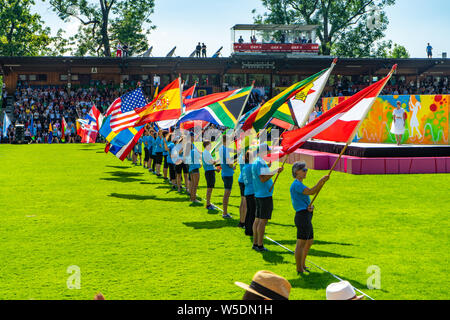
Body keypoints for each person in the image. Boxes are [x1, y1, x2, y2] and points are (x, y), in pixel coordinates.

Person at [290, 161, 329, 274]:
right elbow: (311, 192)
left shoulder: (299, 184)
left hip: (305, 214)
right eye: (304, 170)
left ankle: (302, 264)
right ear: (297, 172)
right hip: (302, 217)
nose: (306, 172)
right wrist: (321, 181)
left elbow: (305, 198)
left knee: (309, 240)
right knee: (301, 243)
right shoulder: (296, 184)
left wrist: (309, 207)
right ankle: (299, 268)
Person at [251, 143, 283, 252]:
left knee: (257, 220)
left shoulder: (257, 161)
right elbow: (263, 178)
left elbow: (263, 174)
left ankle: (255, 243)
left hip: (260, 193)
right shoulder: (259, 162)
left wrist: (270, 168)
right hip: (264, 195)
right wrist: (275, 171)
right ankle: (260, 245)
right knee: (262, 221)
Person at [219, 134, 236, 219]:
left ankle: (225, 212)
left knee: (226, 194)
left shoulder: (221, 148)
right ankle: (225, 213)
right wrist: (233, 164)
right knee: (226, 194)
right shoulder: (225, 149)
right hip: (228, 174)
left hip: (225, 173)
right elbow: (229, 163)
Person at [202, 140, 219, 210]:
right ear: (206, 145)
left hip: (210, 171)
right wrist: (219, 160)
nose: (211, 146)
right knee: (209, 189)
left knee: (210, 188)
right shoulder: (206, 153)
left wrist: (215, 168)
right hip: (209, 172)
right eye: (209, 145)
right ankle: (208, 204)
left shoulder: (206, 152)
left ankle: (208, 203)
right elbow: (212, 162)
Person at [242, 150, 256, 236]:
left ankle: (248, 229)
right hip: (252, 191)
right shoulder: (251, 166)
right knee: (253, 211)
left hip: (247, 190)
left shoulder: (245, 166)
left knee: (249, 210)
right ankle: (251, 230)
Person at [187, 132, 202, 203]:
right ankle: (193, 198)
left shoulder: (191, 146)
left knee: (193, 184)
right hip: (194, 167)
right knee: (195, 184)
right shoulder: (190, 147)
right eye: (193, 137)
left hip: (191, 167)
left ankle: (192, 198)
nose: (194, 138)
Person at [237, 149, 247, 228]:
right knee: (245, 202)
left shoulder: (241, 155)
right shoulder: (244, 156)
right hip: (245, 180)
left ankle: (241, 221)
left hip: (241, 179)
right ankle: (243, 221)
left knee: (242, 201)